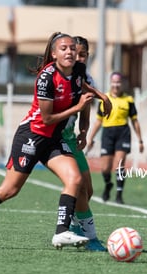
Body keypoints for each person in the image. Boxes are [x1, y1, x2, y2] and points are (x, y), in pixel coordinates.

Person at [0, 32, 106, 250]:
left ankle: (62, 232)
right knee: (9, 190)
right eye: (64, 48)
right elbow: (47, 118)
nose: (70, 52)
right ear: (54, 54)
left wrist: (103, 97)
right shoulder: (46, 78)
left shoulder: (78, 70)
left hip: (53, 139)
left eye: (72, 48)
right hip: (32, 137)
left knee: (75, 178)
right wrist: (77, 108)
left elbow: (83, 88)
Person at [62, 36, 111, 251]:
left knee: (88, 191)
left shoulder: (88, 78)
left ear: (87, 56)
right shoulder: (63, 75)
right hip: (56, 138)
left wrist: (83, 131)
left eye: (83, 54)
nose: (78, 57)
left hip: (71, 138)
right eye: (76, 53)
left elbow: (86, 108)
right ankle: (90, 238)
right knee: (79, 187)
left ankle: (74, 225)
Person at [87, 72, 144, 204]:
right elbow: (98, 121)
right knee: (106, 167)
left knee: (120, 164)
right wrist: (90, 138)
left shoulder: (128, 100)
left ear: (122, 84)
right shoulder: (104, 98)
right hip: (107, 133)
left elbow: (135, 121)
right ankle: (108, 185)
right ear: (110, 83)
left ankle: (119, 194)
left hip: (123, 133)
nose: (116, 85)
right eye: (114, 82)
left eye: (118, 82)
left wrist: (140, 140)